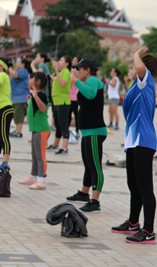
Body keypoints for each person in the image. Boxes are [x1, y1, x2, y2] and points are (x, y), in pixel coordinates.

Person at [111, 47, 157, 244]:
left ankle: (148, 230)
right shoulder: (136, 85)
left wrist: (136, 54)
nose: (131, 70)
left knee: (145, 188)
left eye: (132, 67)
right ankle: (133, 222)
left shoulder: (146, 81)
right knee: (133, 185)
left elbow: (141, 70)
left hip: (144, 140)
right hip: (133, 140)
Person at [66, 58, 107, 212]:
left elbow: (90, 95)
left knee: (95, 166)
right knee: (88, 164)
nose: (77, 71)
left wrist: (75, 82)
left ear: (88, 70)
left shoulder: (94, 81)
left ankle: (95, 201)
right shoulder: (87, 82)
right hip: (88, 131)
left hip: (95, 131)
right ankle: (84, 193)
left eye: (80, 69)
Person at [19, 72, 50, 190]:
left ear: (38, 82)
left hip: (42, 130)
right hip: (36, 130)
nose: (29, 80)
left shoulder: (41, 95)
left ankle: (41, 179)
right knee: (34, 154)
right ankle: (33, 176)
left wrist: (35, 96)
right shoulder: (35, 95)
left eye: (31, 78)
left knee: (40, 155)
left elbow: (43, 109)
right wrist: (30, 100)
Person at [50, 56, 72, 154]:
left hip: (63, 102)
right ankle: (55, 144)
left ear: (67, 63)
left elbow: (63, 84)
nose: (59, 61)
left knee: (63, 125)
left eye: (62, 60)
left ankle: (65, 147)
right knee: (58, 125)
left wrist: (57, 72)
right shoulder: (61, 72)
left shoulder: (66, 72)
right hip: (56, 101)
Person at [8, 58, 31, 138]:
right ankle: (17, 130)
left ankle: (19, 131)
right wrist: (13, 69)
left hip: (20, 96)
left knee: (19, 114)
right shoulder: (18, 70)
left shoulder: (23, 71)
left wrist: (10, 68)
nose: (17, 63)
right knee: (15, 114)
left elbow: (14, 75)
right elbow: (13, 74)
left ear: (23, 64)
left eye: (18, 62)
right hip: (16, 96)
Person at [69, 56, 80, 136]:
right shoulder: (70, 70)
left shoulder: (77, 71)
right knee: (68, 115)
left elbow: (72, 80)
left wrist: (73, 70)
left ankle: (77, 130)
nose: (72, 61)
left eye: (74, 60)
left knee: (76, 115)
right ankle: (67, 130)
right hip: (68, 96)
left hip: (75, 97)